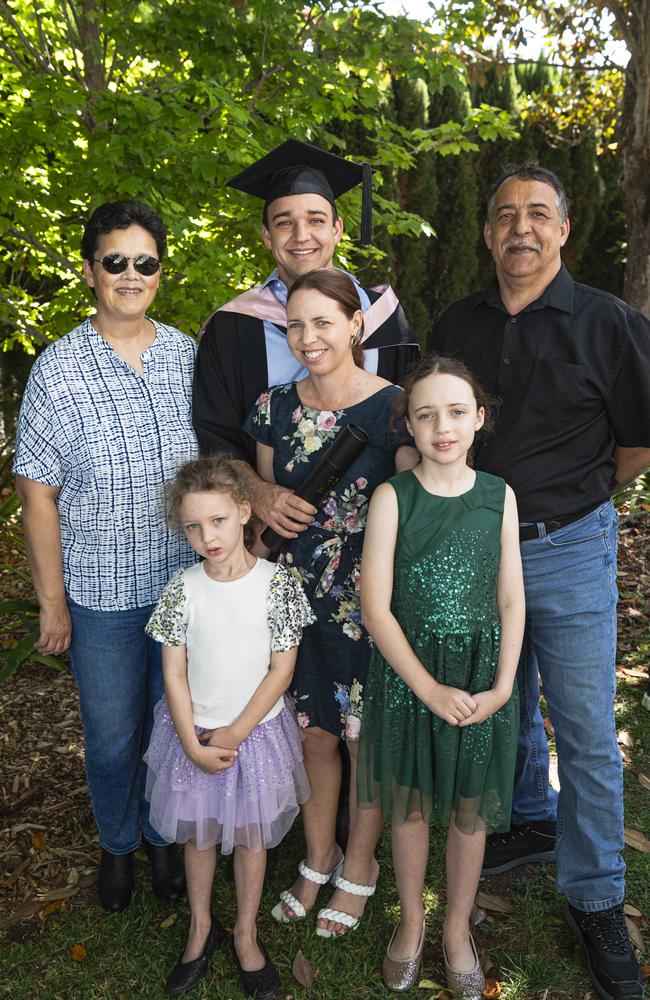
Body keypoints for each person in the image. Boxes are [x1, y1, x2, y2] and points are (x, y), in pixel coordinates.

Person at [429, 163, 650, 999]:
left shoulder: (611, 324)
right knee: (502, 697)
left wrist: (577, 498)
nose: (522, 228)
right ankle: (530, 818)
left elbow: (637, 441)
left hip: (566, 545)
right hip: (476, 543)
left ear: (563, 229)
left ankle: (596, 898)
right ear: (488, 234)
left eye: (540, 215)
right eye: (507, 216)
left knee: (587, 729)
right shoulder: (458, 321)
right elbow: (433, 427)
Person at [13, 201, 197, 913]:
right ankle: (117, 844)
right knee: (115, 735)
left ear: (159, 271)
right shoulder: (58, 370)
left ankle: (163, 839)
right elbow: (37, 497)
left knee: (173, 723)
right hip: (102, 595)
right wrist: (53, 601)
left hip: (186, 587)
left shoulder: (188, 355)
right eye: (114, 261)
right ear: (90, 271)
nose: (130, 274)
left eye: (144, 262)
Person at [243, 268, 419, 937]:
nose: (308, 337)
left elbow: (412, 512)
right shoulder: (272, 407)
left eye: (323, 322)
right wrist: (267, 506)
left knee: (361, 738)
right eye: (295, 324)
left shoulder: (395, 407)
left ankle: (361, 865)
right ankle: (317, 859)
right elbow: (263, 504)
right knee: (313, 731)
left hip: (367, 597)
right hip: (295, 595)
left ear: (356, 324)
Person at [357, 356, 524, 996]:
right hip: (410, 675)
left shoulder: (499, 496)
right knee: (409, 803)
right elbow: (376, 608)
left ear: (479, 419)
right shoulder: (393, 497)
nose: (442, 427)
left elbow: (511, 598)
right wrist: (426, 686)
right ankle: (410, 920)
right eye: (426, 415)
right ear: (410, 426)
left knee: (468, 808)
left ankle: (456, 925)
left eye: (457, 412)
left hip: (481, 674)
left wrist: (504, 683)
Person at [144, 455, 314, 998]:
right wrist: (191, 739)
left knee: (249, 835)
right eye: (193, 526)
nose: (206, 536)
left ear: (244, 511)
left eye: (217, 521)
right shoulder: (183, 588)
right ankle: (200, 927)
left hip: (254, 735)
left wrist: (237, 732)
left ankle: (245, 933)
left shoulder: (276, 586)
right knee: (198, 835)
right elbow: (172, 670)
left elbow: (281, 668)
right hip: (193, 734)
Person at [193, 139, 419, 542]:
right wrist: (258, 493)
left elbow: (412, 428)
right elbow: (215, 436)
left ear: (337, 229)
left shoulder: (384, 317)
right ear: (266, 235)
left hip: (377, 540)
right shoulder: (233, 326)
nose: (301, 235)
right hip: (269, 537)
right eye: (284, 222)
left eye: (316, 220)